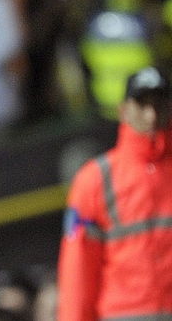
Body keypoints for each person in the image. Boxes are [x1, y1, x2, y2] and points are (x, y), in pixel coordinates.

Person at [57, 65, 172, 320]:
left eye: (160, 104)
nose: (152, 115)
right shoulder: (95, 180)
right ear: (123, 110)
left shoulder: (95, 177)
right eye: (142, 104)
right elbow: (78, 270)